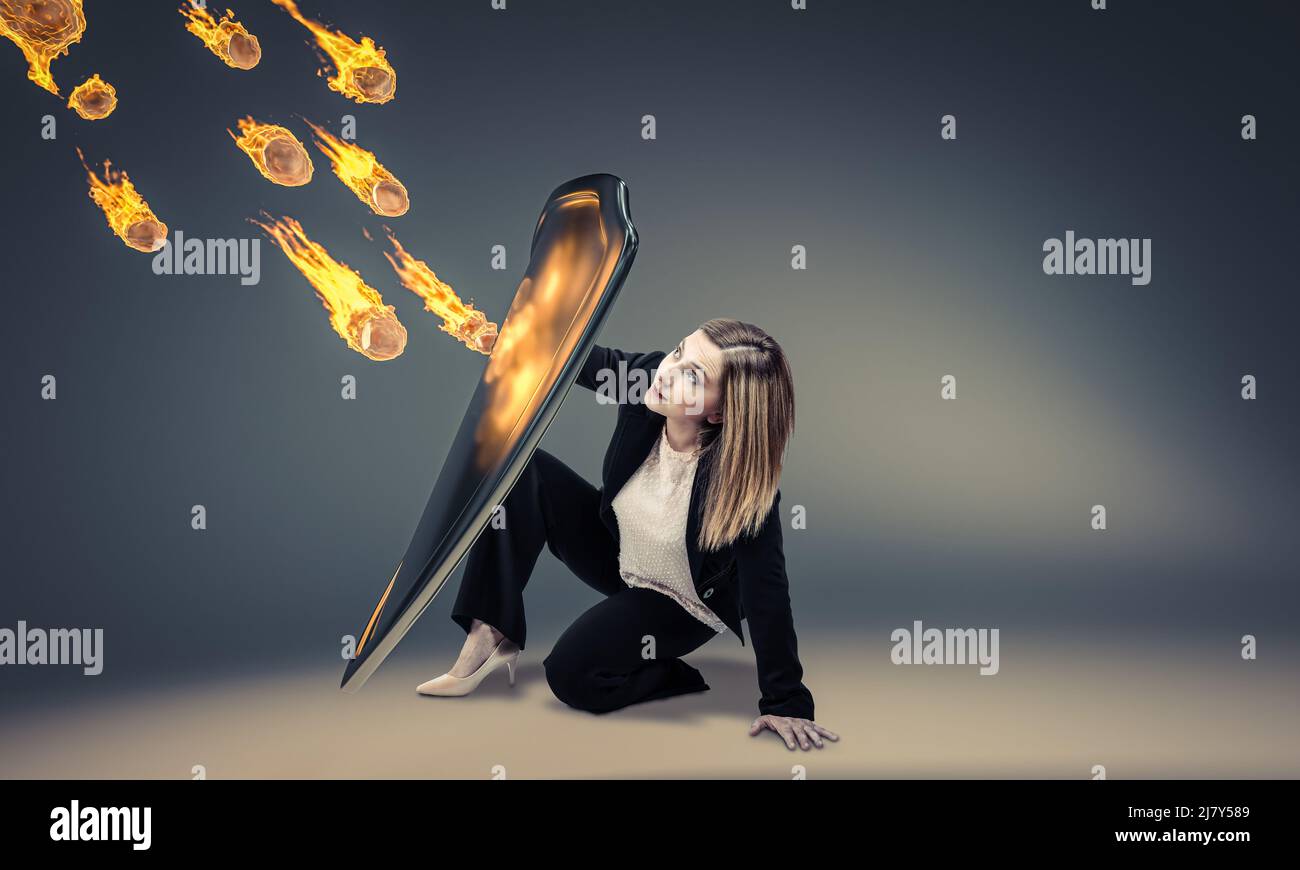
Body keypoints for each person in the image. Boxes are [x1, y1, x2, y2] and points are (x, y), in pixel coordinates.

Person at [418, 318, 838, 751]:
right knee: (522, 470)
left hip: (679, 603)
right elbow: (578, 360)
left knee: (570, 675)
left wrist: (786, 701)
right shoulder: (651, 382)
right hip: (623, 553)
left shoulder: (744, 486)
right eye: (678, 351)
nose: (667, 372)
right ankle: (490, 632)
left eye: (692, 376)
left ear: (720, 412)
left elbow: (767, 593)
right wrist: (510, 339)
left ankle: (672, 673)